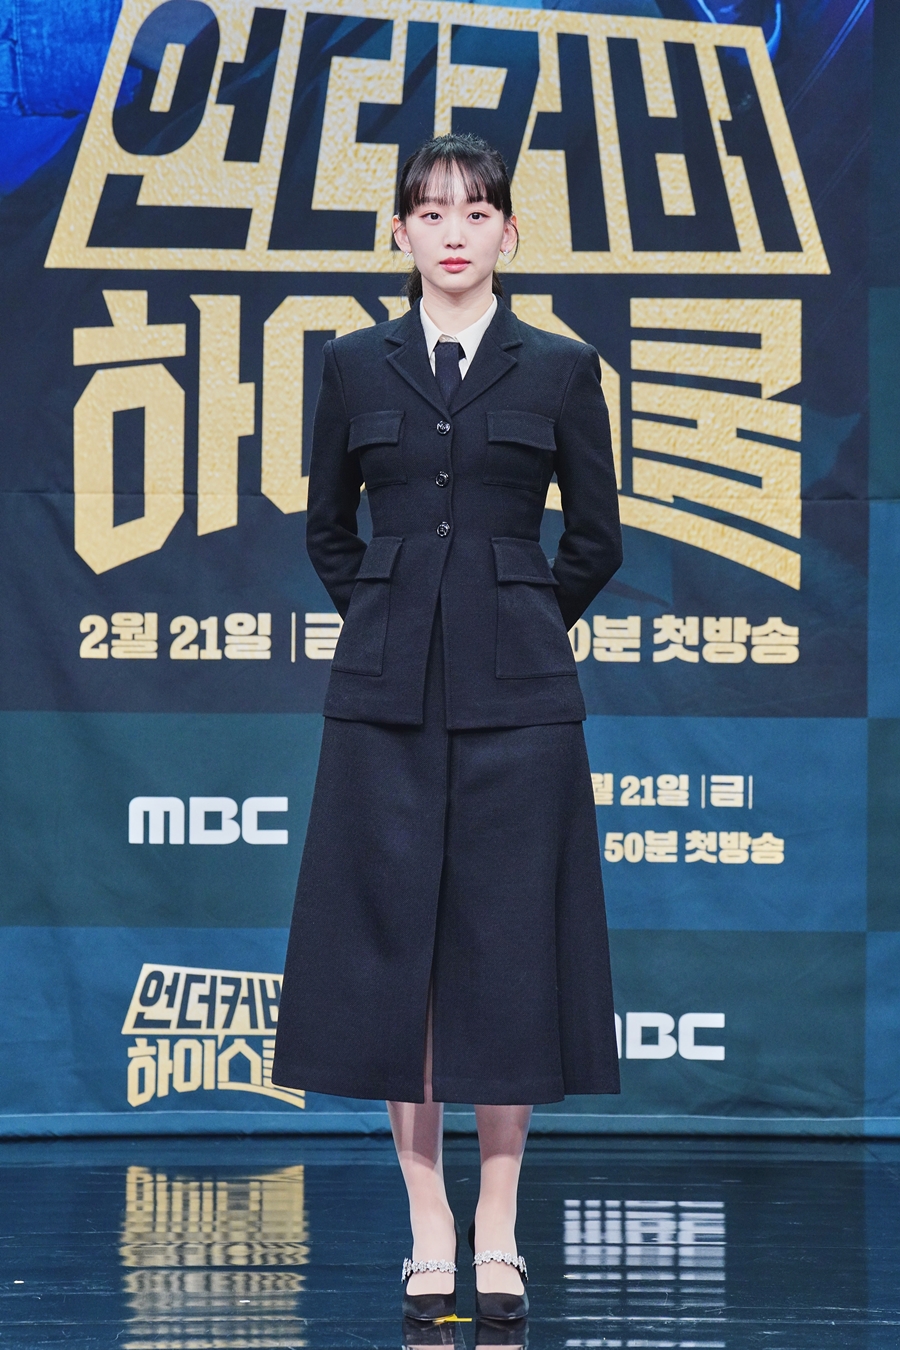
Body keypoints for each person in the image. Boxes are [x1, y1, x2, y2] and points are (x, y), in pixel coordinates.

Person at [272, 133, 622, 1323]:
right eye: (431, 212)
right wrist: (393, 619)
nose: (454, 232)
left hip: (520, 698)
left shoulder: (560, 368)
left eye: (476, 212)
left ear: (509, 232)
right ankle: (428, 1225)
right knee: (394, 956)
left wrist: (512, 619)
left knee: (509, 952)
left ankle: (499, 1227)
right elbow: (328, 530)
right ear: (401, 235)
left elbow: (596, 540)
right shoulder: (353, 363)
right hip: (386, 698)